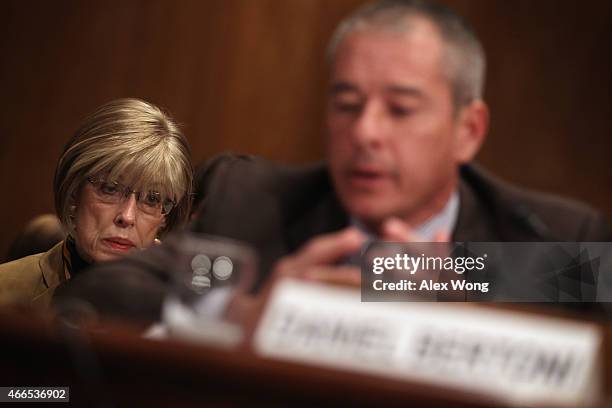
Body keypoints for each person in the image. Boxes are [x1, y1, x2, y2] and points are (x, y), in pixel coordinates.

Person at [71, 0, 610, 323]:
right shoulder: (255, 205)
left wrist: (461, 328)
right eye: (347, 105)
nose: (365, 132)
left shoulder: (545, 238)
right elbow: (98, 297)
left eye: (400, 109)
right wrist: (238, 315)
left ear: (468, 131)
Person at [0, 98, 193, 308]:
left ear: (164, 218)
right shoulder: (6, 292)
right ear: (74, 191)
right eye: (109, 188)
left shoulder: (188, 309)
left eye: (152, 199)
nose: (127, 217)